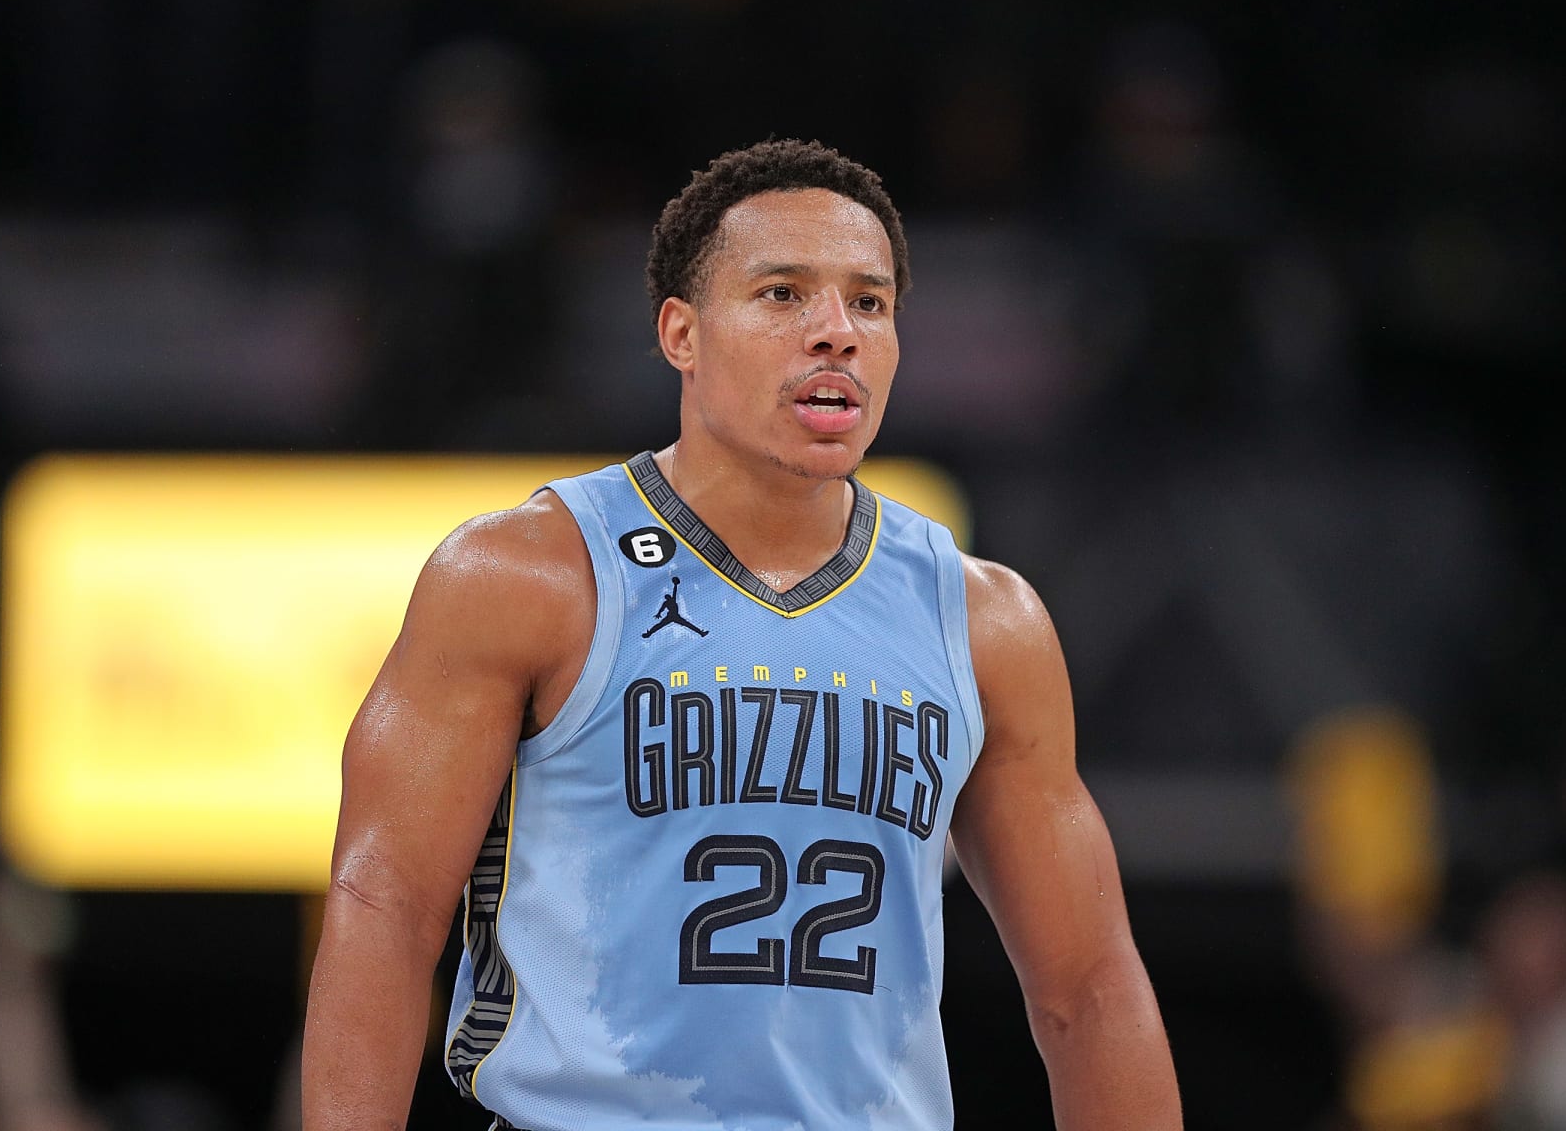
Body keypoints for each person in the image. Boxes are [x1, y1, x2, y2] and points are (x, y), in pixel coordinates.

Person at [301, 138, 1182, 1129]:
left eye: (870, 302)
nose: (835, 333)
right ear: (682, 333)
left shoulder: (985, 620)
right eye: (783, 295)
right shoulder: (527, 574)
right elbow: (386, 910)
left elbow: (1089, 989)